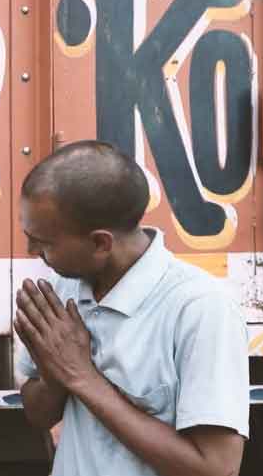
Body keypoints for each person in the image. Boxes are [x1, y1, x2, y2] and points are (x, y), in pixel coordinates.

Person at [14, 140, 249, 476]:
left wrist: (82, 377)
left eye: (44, 242)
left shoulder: (200, 309)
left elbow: (216, 468)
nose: (30, 249)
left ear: (100, 243)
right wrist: (54, 377)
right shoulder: (64, 287)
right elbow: (39, 414)